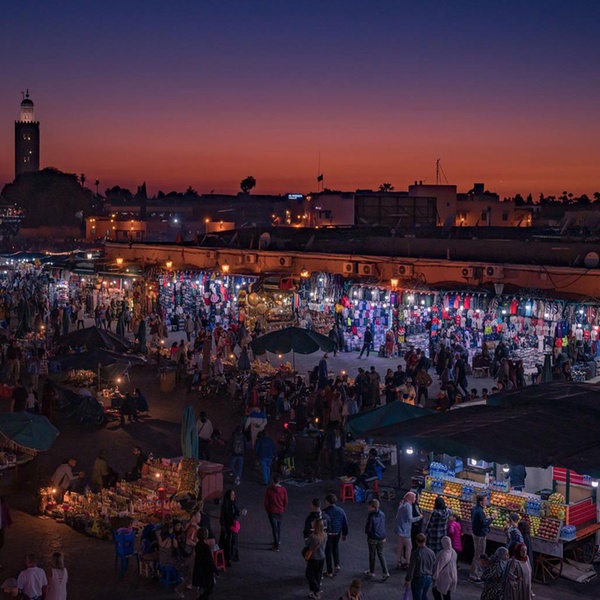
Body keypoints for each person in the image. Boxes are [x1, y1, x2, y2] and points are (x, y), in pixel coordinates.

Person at [470, 493, 495, 582]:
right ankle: (474, 575)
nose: (486, 501)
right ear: (481, 502)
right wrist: (492, 518)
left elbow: (479, 521)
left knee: (478, 554)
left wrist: (486, 518)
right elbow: (483, 524)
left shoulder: (474, 508)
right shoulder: (480, 511)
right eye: (485, 500)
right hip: (480, 535)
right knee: (479, 554)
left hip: (476, 533)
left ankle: (477, 572)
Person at [323, 493, 349, 578]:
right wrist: (345, 534)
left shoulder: (325, 512)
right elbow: (345, 523)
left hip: (329, 534)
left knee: (328, 551)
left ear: (328, 501)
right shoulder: (341, 510)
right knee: (335, 547)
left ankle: (329, 571)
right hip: (337, 533)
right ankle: (337, 564)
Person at [394, 491, 422, 570]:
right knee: (409, 547)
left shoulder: (402, 504)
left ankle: (398, 562)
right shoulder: (408, 506)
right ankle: (408, 563)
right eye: (414, 497)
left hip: (400, 529)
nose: (415, 499)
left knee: (400, 546)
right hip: (405, 530)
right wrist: (419, 518)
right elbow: (410, 519)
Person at [364, 499, 389, 581]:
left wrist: (367, 532)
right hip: (382, 537)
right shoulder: (382, 514)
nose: (368, 507)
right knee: (381, 554)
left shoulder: (371, 516)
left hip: (373, 538)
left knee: (372, 554)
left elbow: (368, 529)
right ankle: (386, 572)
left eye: (369, 506)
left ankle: (371, 572)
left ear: (373, 507)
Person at [405, 532, 436, 600]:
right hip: (428, 578)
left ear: (416, 541)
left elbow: (411, 568)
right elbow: (434, 566)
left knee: (417, 597)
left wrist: (408, 579)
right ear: (425, 540)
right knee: (424, 596)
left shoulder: (416, 553)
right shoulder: (431, 552)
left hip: (418, 578)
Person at [192, 528, 219, 600]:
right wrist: (215, 570)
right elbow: (210, 560)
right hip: (206, 570)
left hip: (199, 568)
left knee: (204, 587)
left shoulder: (198, 545)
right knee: (209, 589)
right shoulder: (206, 547)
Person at [264, 475, 288, 551]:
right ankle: (278, 540)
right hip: (280, 511)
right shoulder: (283, 490)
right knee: (278, 526)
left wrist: (268, 510)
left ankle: (276, 545)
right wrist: (283, 508)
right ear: (279, 481)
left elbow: (266, 502)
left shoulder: (269, 489)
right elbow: (286, 501)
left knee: (274, 528)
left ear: (273, 481)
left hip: (272, 511)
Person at [305, 518, 327, 599]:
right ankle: (314, 592)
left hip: (314, 558)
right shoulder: (325, 535)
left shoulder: (313, 536)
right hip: (322, 557)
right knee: (318, 575)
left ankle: (317, 590)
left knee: (309, 574)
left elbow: (307, 544)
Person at [219, 489, 241, 565]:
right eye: (232, 495)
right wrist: (223, 527)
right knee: (228, 543)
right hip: (227, 527)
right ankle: (228, 558)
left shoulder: (233, 503)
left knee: (233, 542)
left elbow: (236, 512)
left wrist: (239, 513)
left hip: (233, 527)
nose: (234, 496)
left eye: (234, 494)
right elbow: (222, 517)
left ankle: (232, 556)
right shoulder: (225, 505)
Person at [0, 497, 12, 570]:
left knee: (1, 544)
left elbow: (6, 513)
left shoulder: (3, 503)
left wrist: (9, 522)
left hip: (1, 528)